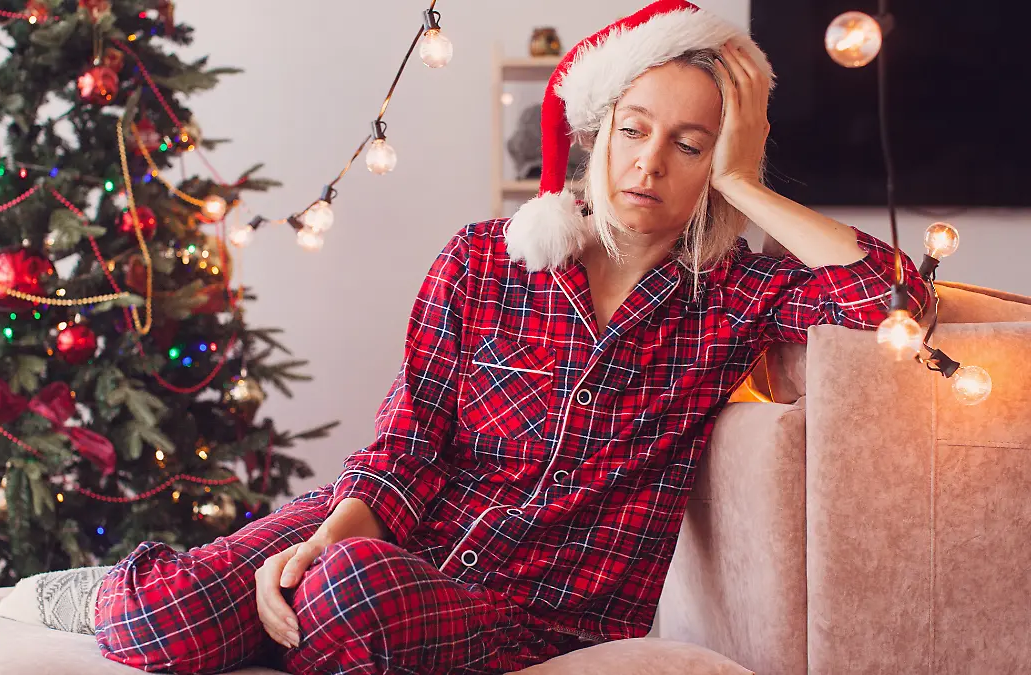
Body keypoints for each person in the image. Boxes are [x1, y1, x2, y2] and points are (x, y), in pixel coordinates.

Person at [88, 1, 931, 673]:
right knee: (157, 613)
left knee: (346, 597)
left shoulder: (738, 294)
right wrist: (328, 536)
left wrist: (748, 184)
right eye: (634, 130)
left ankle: (309, 625)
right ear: (599, 130)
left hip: (528, 612)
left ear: (719, 162)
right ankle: (198, 610)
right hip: (388, 531)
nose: (648, 165)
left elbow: (897, 299)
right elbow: (406, 441)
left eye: (691, 144)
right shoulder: (482, 259)